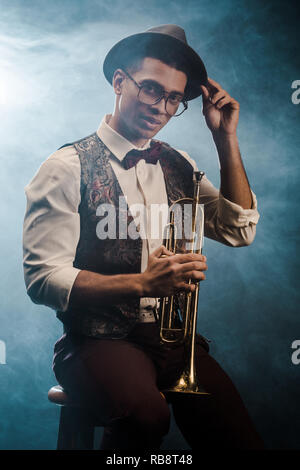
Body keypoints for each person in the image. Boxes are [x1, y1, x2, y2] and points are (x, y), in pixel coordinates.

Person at [23, 24, 263, 449]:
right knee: (146, 417)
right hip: (95, 342)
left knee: (237, 436)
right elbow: (43, 278)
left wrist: (225, 137)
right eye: (152, 89)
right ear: (119, 81)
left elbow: (237, 229)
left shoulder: (179, 163)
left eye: (174, 97)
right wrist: (142, 284)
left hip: (169, 340)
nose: (163, 107)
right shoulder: (65, 166)